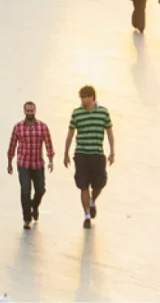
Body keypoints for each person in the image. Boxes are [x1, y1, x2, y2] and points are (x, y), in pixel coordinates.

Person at [64, 85, 113, 227]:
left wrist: (112, 152)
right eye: (82, 98)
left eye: (85, 97)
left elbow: (109, 133)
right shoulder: (77, 113)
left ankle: (92, 200)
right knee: (83, 185)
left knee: (99, 184)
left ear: (92, 97)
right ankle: (86, 216)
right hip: (81, 154)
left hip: (97, 153)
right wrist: (66, 153)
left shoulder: (103, 112)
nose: (83, 100)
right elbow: (70, 133)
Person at [5, 101, 54, 228]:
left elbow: (49, 144)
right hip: (24, 164)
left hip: (38, 164)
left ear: (35, 111)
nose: (30, 113)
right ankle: (27, 219)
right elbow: (12, 145)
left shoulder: (42, 127)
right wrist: (9, 162)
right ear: (24, 111)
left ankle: (34, 206)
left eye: (32, 111)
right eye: (28, 111)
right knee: (25, 191)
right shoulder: (18, 127)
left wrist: (50, 161)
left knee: (40, 189)